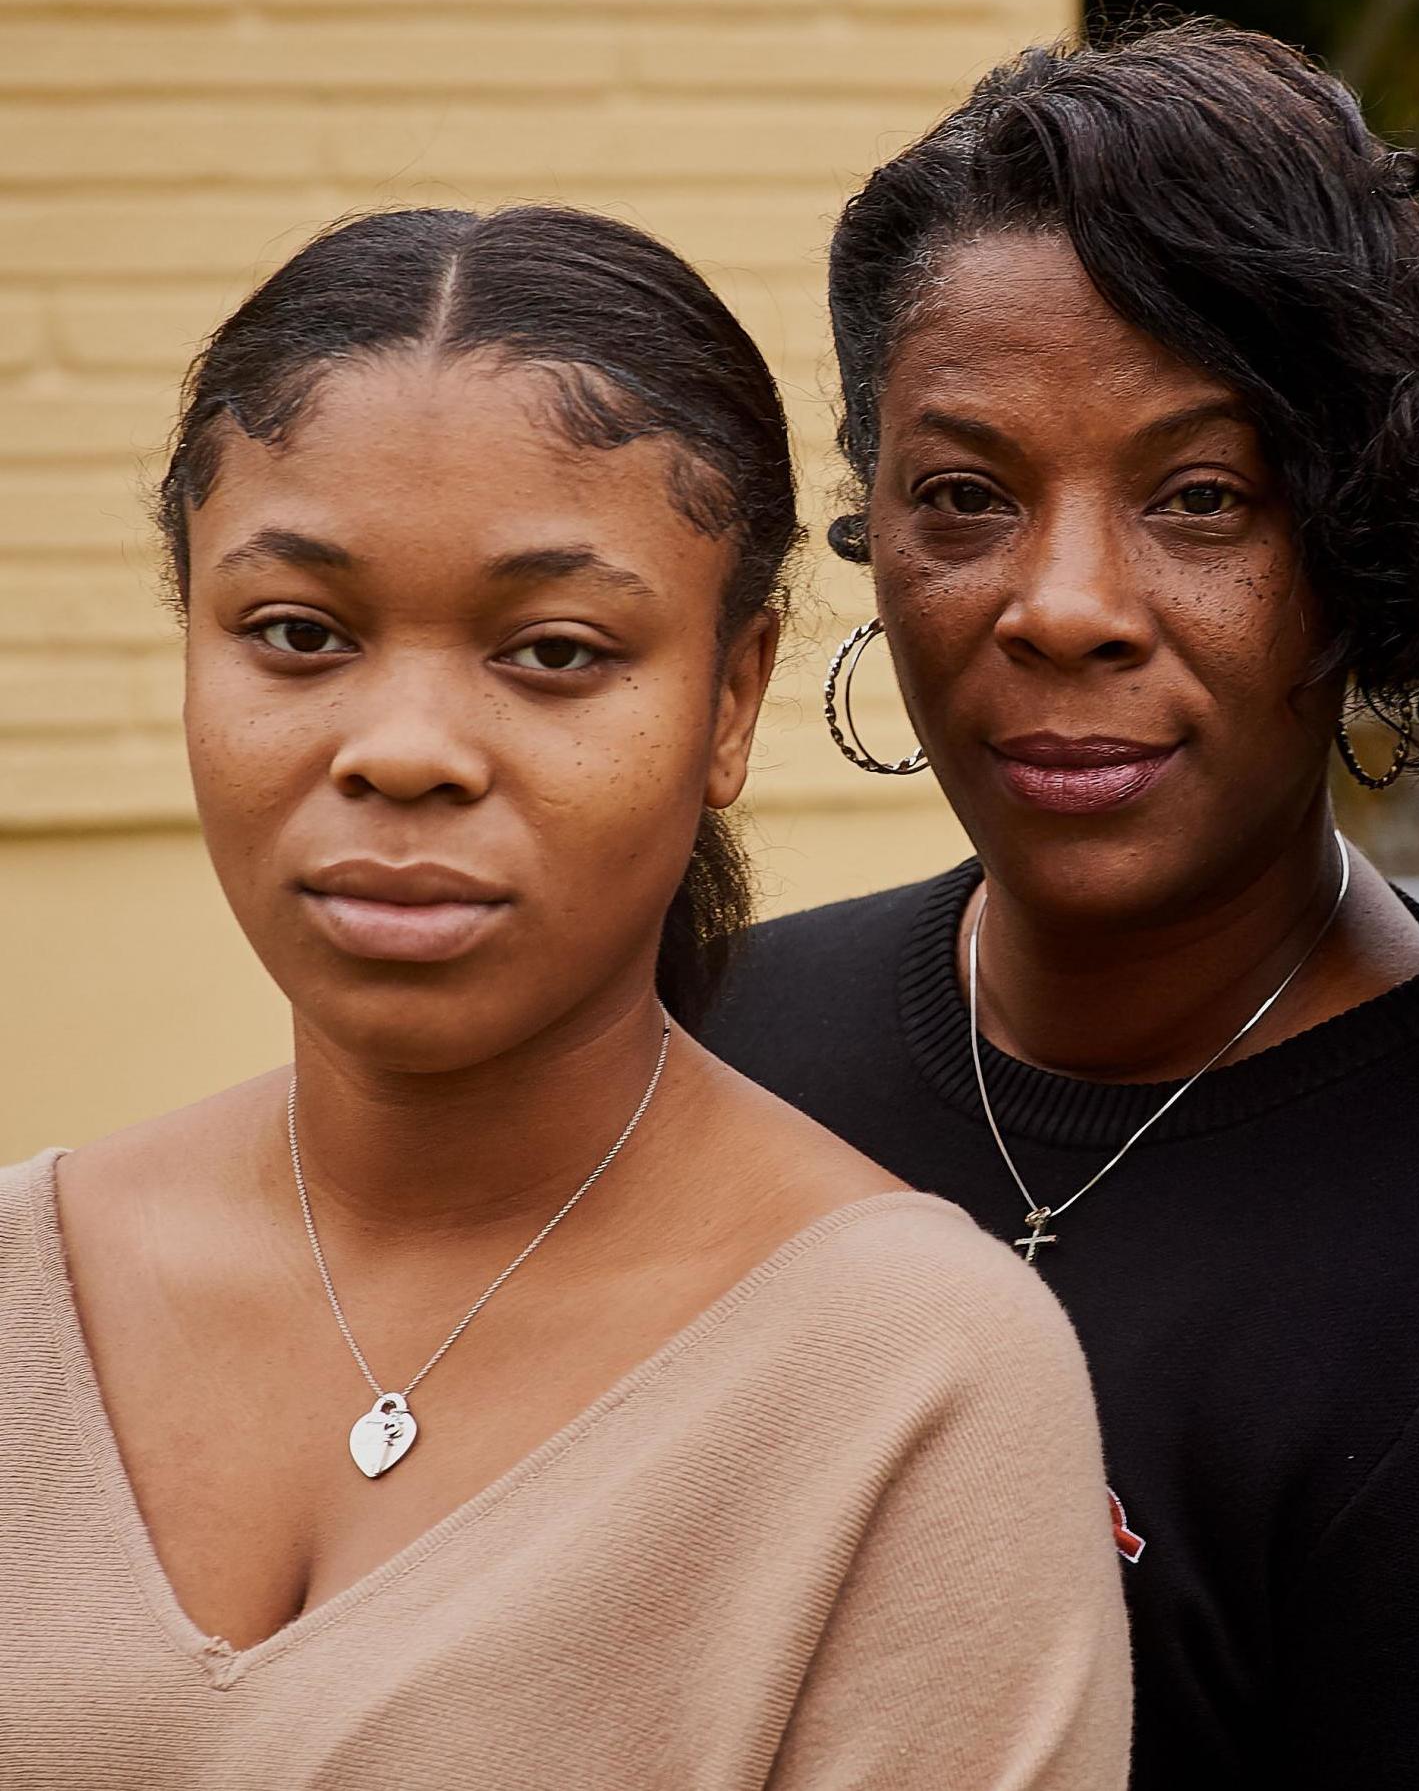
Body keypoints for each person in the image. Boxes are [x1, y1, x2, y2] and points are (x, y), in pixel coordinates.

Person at [702, 22, 1419, 1791]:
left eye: (1198, 499)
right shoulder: (706, 1048)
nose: (1063, 605)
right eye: (966, 497)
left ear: (1357, 546)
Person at [0, 206, 1130, 1788]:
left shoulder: (912, 1390)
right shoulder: (18, 1288)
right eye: (296, 634)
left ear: (729, 700)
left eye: (550, 652)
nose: (402, 749)